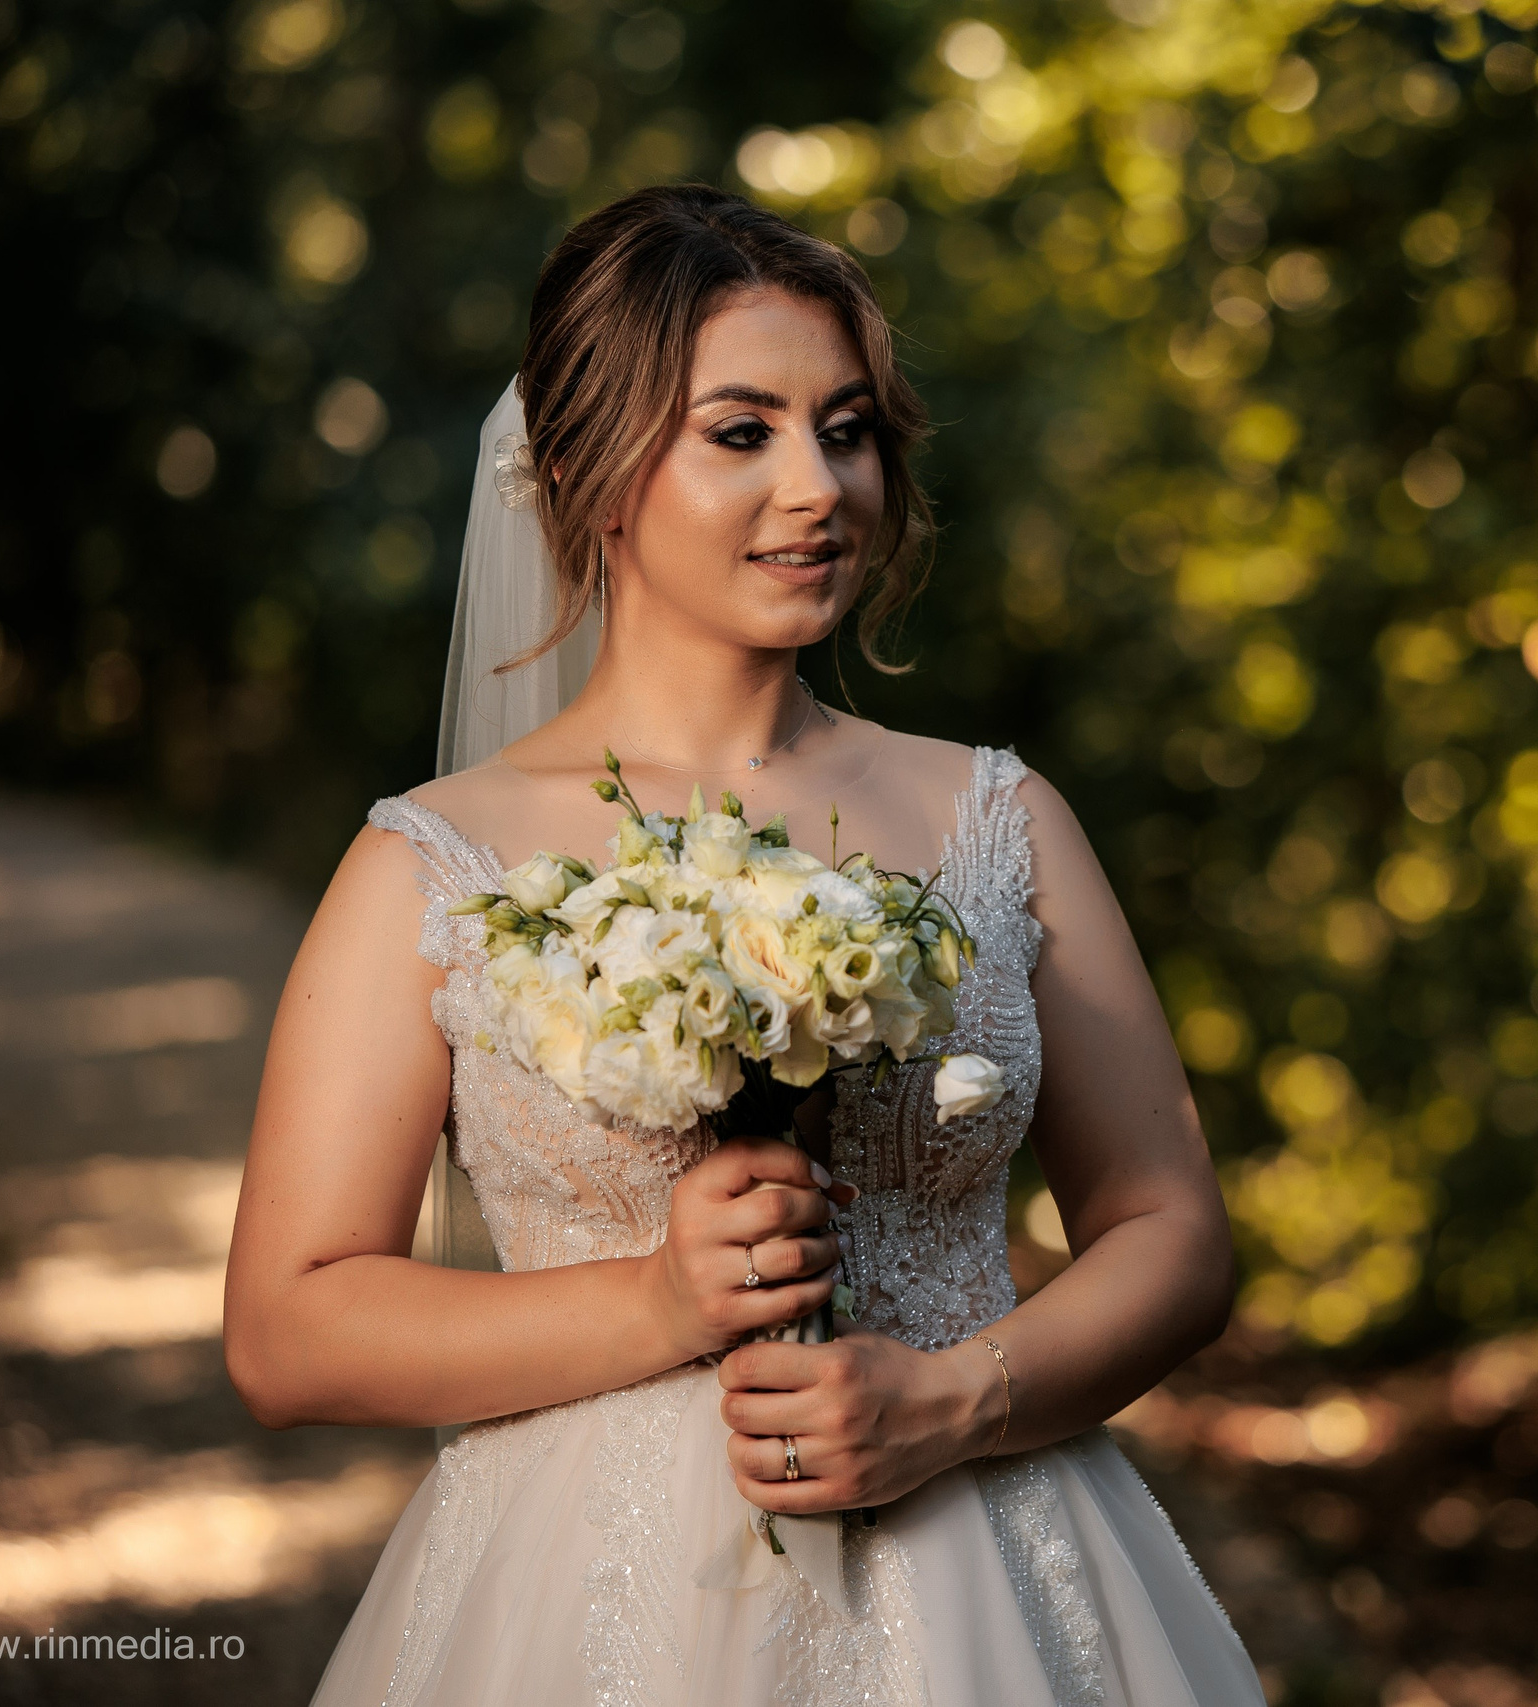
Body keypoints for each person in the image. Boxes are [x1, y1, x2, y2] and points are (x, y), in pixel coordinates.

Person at [221, 183, 1265, 1707]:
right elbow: (289, 1330)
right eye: (742, 431)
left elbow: (1175, 1234)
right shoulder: (432, 866)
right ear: (584, 468)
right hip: (587, 1609)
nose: (820, 484)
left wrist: (960, 1402)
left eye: (846, 429)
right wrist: (654, 1303)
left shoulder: (998, 817)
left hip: (994, 1580)